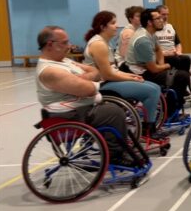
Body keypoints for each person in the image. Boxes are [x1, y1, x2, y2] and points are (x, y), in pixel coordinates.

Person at [35, 26, 133, 166]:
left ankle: (113, 147)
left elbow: (95, 71)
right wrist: (87, 79)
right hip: (71, 115)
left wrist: (80, 78)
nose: (69, 46)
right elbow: (89, 90)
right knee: (114, 111)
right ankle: (115, 156)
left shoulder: (63, 61)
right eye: (64, 43)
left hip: (80, 109)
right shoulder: (51, 71)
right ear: (50, 44)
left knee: (112, 106)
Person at [83, 11, 164, 138]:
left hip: (109, 81)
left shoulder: (104, 42)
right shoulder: (98, 44)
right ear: (103, 27)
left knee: (154, 87)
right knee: (152, 91)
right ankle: (149, 129)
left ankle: (149, 126)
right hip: (103, 85)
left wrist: (130, 76)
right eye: (113, 23)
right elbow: (108, 75)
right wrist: (130, 77)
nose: (116, 26)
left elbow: (112, 70)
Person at [125, 8, 191, 116]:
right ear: (149, 22)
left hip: (149, 66)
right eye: (158, 18)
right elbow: (153, 69)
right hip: (140, 73)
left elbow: (158, 50)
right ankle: (170, 113)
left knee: (183, 59)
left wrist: (161, 65)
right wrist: (166, 66)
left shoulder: (151, 33)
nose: (162, 20)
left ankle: (178, 94)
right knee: (181, 76)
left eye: (161, 17)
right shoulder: (143, 40)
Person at [155, 5, 191, 72]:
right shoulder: (153, 29)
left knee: (186, 59)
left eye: (167, 14)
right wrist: (165, 53)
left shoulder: (170, 27)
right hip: (161, 55)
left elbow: (178, 44)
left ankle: (184, 78)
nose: (166, 17)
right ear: (157, 15)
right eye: (163, 14)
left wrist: (178, 52)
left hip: (173, 53)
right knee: (175, 60)